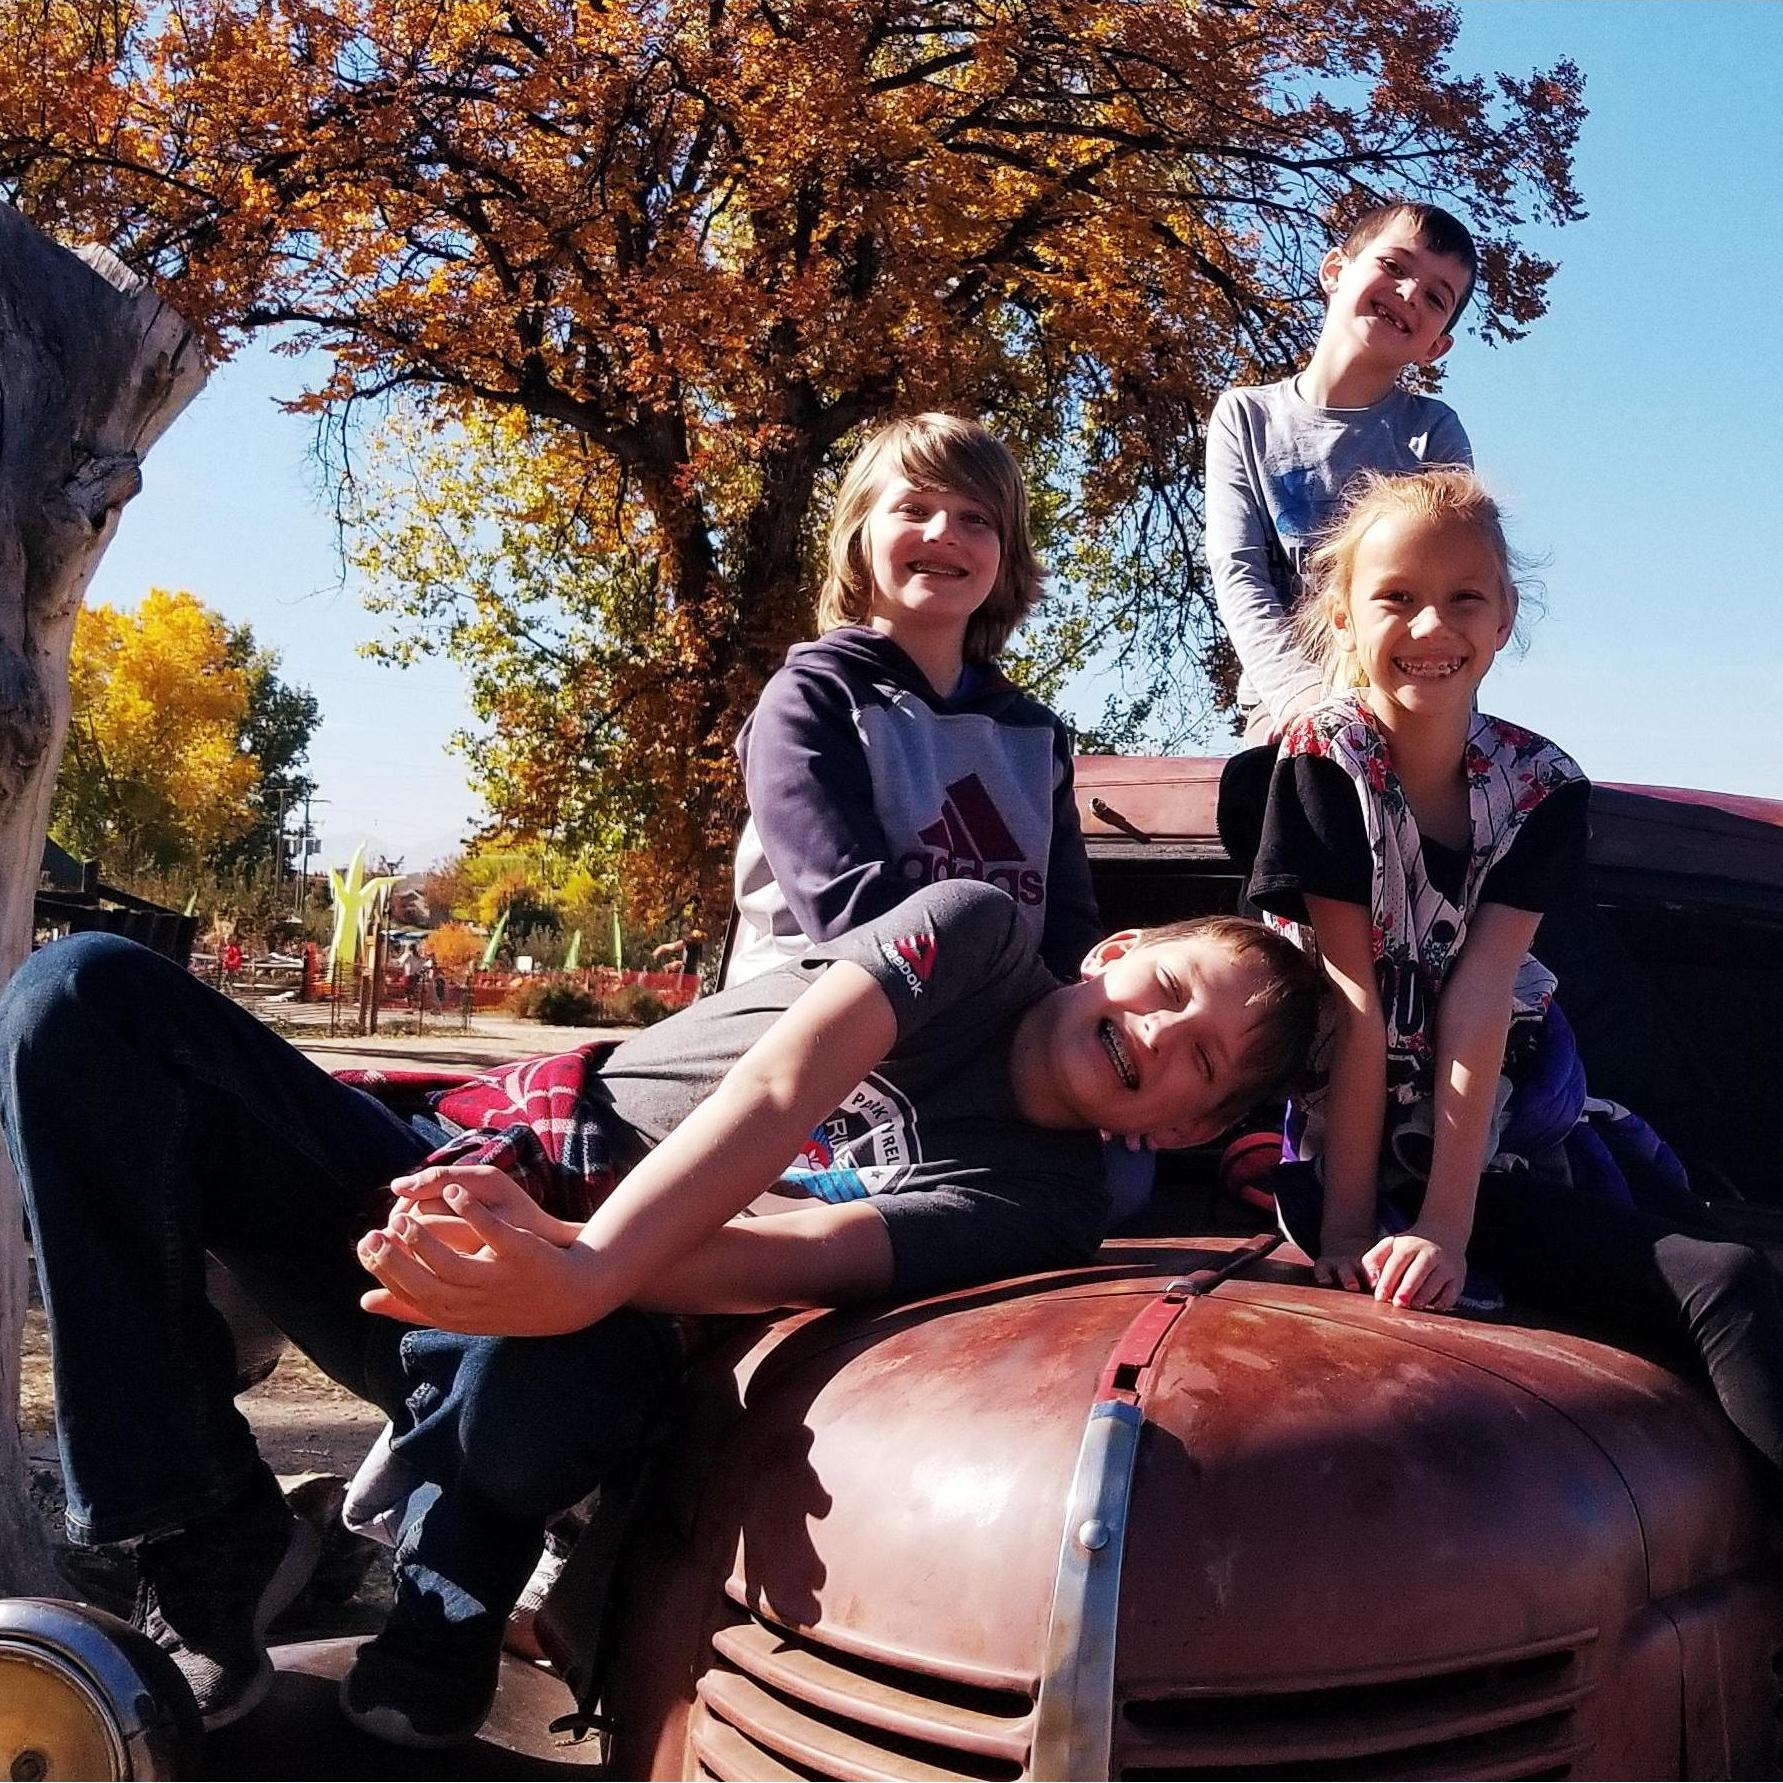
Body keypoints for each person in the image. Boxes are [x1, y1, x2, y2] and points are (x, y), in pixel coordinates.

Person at [2, 879, 1324, 1747]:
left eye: (1194, 1060)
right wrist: (557, 1249)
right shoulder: (974, 935)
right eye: (1162, 987)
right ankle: (191, 1524)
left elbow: (798, 1250)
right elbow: (782, 1077)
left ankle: (459, 1568)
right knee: (80, 994)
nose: (1155, 1031)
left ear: (1186, 1124)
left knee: (566, 1382)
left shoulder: (1039, 1197)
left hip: (599, 1312)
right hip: (454, 1169)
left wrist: (576, 1271)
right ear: (1113, 949)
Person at [1216, 467, 1783, 1478]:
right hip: (1346, 1140)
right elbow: (1354, 1001)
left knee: (1728, 1275)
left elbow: (1480, 997)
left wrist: (1446, 1224)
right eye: (1394, 596)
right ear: (1343, 611)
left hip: (1493, 1141)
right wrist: (1352, 1225)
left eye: (1463, 596)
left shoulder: (1540, 784)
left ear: (1505, 613)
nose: (1430, 624)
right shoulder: (1321, 758)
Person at [725, 412, 1099, 987]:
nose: (944, 531)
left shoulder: (1034, 736)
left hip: (988, 1042)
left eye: (976, 517)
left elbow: (1068, 937)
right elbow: (851, 915)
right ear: (860, 536)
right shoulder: (810, 700)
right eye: (913, 509)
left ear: (1006, 556)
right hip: (813, 1035)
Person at [1205, 201, 1477, 740]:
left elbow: (1455, 585)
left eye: (1434, 298)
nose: (1406, 295)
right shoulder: (1246, 417)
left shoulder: (1433, 433)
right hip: (1289, 701)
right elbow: (1240, 574)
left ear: (1436, 346)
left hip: (1412, 701)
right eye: (1394, 267)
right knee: (1280, 801)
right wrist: (1304, 702)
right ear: (1335, 270)